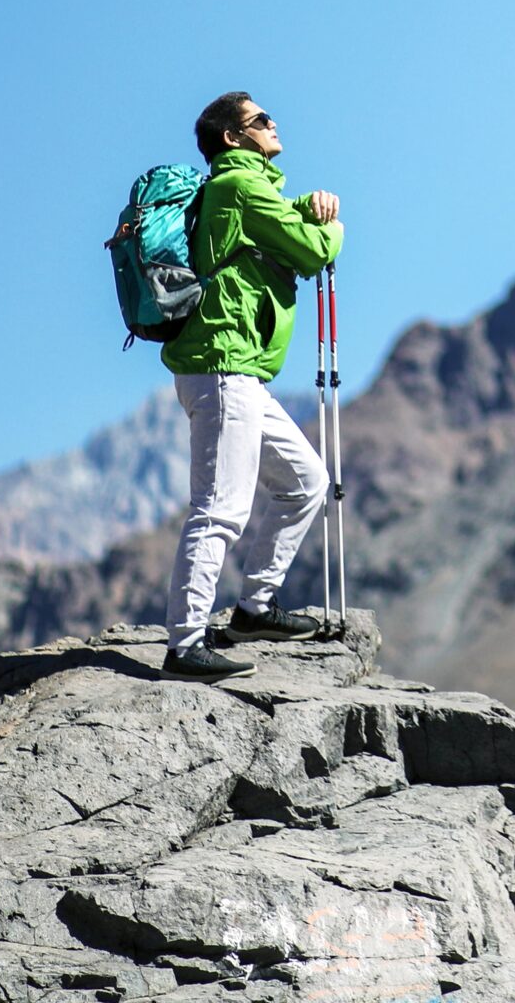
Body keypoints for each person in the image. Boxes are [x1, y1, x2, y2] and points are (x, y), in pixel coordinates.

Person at [157, 91, 345, 681]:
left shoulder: (248, 189)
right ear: (234, 139)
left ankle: (253, 610)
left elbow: (286, 227)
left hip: (238, 370)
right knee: (220, 509)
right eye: (260, 119)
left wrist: (307, 208)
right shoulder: (238, 186)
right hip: (222, 365)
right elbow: (313, 249)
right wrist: (333, 223)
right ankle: (184, 644)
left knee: (305, 482)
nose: (273, 122)